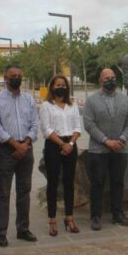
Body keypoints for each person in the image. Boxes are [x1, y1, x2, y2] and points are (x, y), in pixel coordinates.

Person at [0, 65, 40, 247]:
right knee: (3, 192)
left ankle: (23, 229)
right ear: (5, 78)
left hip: (26, 148)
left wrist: (25, 144)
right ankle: (1, 232)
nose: (16, 78)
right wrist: (15, 145)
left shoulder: (29, 99)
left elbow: (35, 124)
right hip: (6, 150)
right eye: (13, 75)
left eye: (19, 75)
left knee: (24, 191)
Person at [83, 69, 128, 230]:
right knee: (97, 183)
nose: (110, 80)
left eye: (113, 78)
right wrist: (106, 141)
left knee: (118, 182)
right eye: (107, 78)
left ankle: (118, 214)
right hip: (99, 150)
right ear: (100, 81)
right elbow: (89, 124)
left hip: (120, 148)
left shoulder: (124, 99)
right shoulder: (91, 100)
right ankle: (96, 216)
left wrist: (122, 139)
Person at [39, 74, 82, 235]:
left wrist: (70, 144)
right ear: (52, 87)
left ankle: (69, 217)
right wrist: (62, 144)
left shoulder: (72, 105)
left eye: (63, 85)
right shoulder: (46, 106)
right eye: (57, 85)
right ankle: (52, 219)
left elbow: (77, 127)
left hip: (70, 144)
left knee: (69, 182)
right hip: (53, 145)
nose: (61, 87)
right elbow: (46, 129)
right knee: (53, 182)